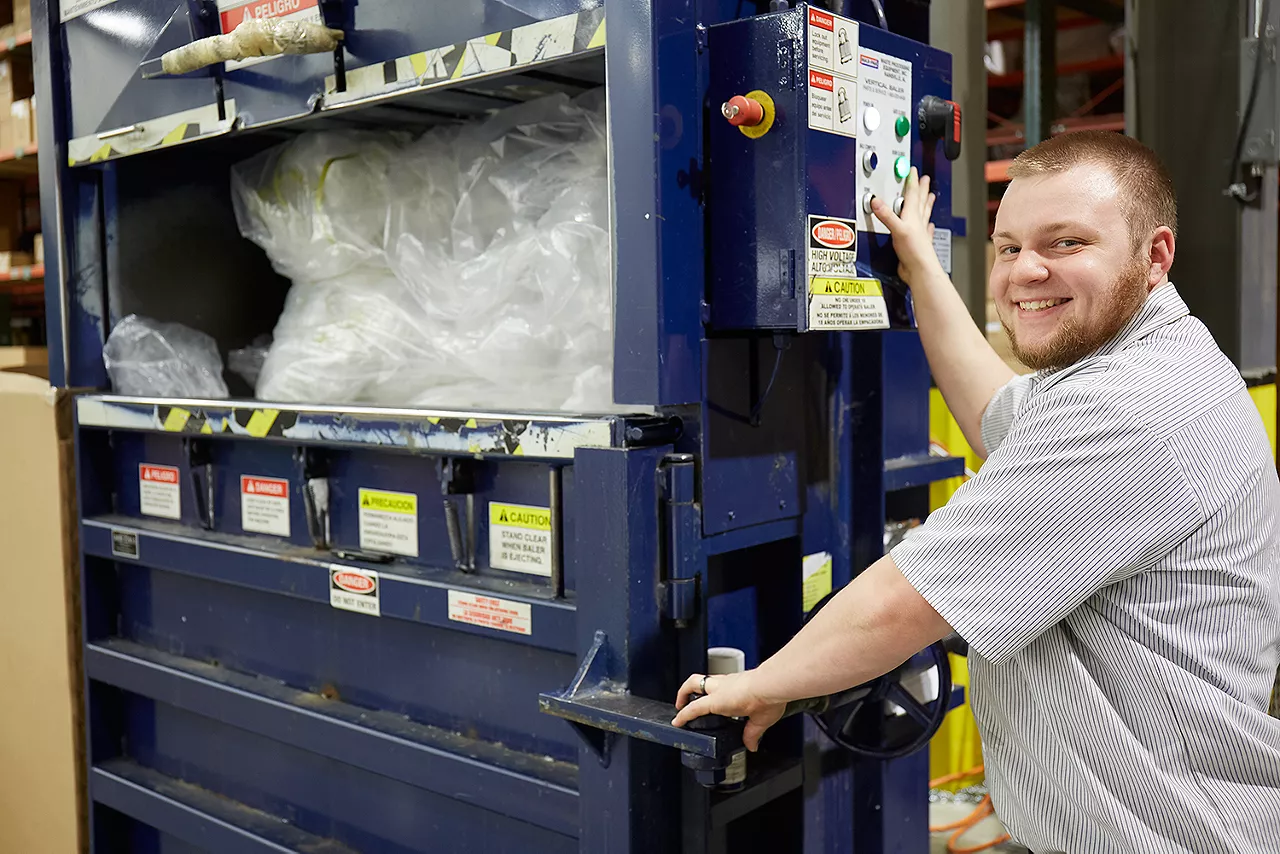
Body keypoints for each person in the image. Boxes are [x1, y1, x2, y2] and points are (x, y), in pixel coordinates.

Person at [672, 131, 1280, 853]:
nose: (1025, 271)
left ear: (1155, 256)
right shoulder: (1154, 361)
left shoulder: (1132, 407)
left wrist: (763, 684)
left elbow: (908, 602)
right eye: (1008, 246)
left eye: (1065, 243)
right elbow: (1000, 417)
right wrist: (921, 264)